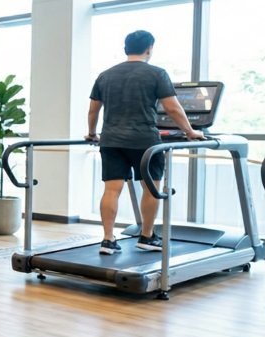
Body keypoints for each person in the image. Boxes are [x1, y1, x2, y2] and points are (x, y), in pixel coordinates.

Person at [87, 30, 204, 254]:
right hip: (145, 141)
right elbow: (171, 107)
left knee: (112, 189)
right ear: (149, 48)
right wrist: (190, 131)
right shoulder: (157, 73)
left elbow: (94, 109)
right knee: (150, 188)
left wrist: (92, 133)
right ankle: (147, 236)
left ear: (125, 49)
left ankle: (108, 239)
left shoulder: (105, 75)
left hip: (111, 140)